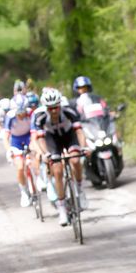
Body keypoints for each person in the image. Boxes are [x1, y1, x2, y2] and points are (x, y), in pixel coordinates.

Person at [32, 88, 89, 226]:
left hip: (69, 137)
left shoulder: (69, 112)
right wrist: (45, 154)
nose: (53, 111)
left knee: (75, 160)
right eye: (50, 108)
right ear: (46, 108)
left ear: (60, 105)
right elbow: (40, 139)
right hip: (53, 140)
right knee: (57, 170)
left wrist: (84, 147)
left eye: (56, 107)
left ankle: (80, 190)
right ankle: (62, 208)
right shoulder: (40, 118)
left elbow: (79, 131)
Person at [0, 94, 33, 208]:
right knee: (20, 166)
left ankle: (44, 181)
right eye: (18, 113)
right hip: (16, 141)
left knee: (36, 156)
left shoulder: (31, 113)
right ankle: (24, 191)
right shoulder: (9, 116)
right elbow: (5, 136)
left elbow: (36, 132)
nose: (21, 115)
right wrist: (9, 150)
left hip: (29, 137)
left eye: (23, 112)